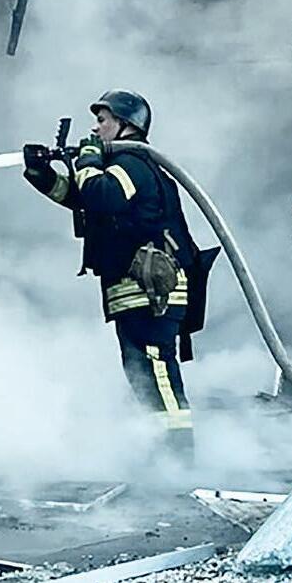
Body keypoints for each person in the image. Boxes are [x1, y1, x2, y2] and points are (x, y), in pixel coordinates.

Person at [22, 89, 216, 462]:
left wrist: (88, 158)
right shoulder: (116, 169)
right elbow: (81, 198)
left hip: (152, 294)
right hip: (135, 293)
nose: (95, 129)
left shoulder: (132, 164)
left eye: (102, 121)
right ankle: (162, 455)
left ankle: (178, 459)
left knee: (156, 371)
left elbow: (101, 195)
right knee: (142, 373)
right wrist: (40, 172)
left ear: (126, 124)